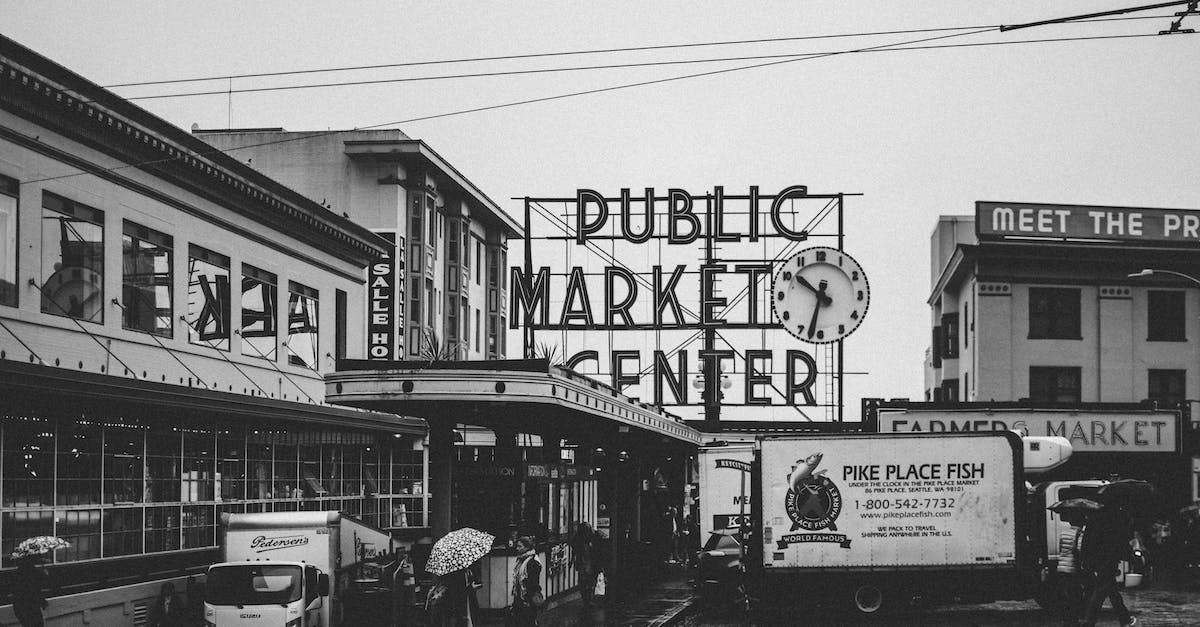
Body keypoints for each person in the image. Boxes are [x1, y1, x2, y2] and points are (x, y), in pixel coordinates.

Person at [1076, 506, 1137, 627]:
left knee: (1111, 589)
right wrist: (1129, 556)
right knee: (1101, 590)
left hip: (1097, 558)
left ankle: (1124, 619)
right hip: (1110, 558)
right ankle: (1089, 622)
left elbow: (1087, 540)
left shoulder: (1094, 517)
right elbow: (1122, 540)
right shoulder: (1118, 517)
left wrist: (1085, 558)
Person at [509, 535, 543, 626]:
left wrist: (528, 600)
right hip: (520, 599)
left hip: (527, 600)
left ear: (527, 548)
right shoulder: (521, 560)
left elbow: (533, 583)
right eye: (517, 546)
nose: (517, 548)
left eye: (520, 546)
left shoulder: (532, 562)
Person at [12, 555, 49, 627]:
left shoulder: (18, 571)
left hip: (19, 605)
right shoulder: (33, 571)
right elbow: (36, 589)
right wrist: (45, 575)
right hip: (31, 605)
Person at [569, 521, 598, 607]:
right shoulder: (590, 539)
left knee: (584, 582)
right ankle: (588, 599)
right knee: (589, 582)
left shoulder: (578, 539)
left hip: (584, 563)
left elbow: (574, 550)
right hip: (587, 563)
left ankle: (587, 599)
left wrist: (572, 560)